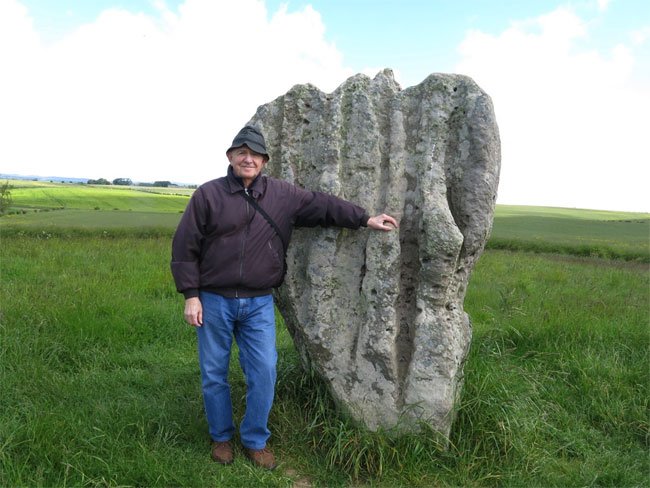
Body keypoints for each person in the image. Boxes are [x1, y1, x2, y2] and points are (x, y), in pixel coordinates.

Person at [170, 125, 398, 470]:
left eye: (255, 154)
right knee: (214, 372)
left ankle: (255, 439)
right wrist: (191, 295)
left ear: (264, 161)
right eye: (242, 153)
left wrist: (365, 218)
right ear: (230, 157)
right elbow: (185, 246)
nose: (248, 159)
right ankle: (221, 437)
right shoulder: (208, 195)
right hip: (214, 299)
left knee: (264, 370)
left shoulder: (282, 195)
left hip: (259, 302)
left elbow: (323, 206)